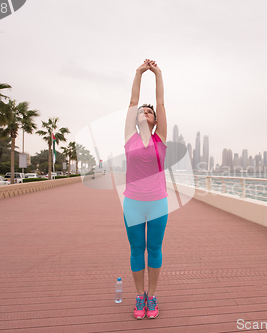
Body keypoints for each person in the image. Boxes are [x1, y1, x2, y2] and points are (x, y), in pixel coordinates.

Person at [123, 59, 168, 319]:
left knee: (155, 249)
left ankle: (153, 296)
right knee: (136, 250)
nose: (144, 112)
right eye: (142, 111)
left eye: (148, 113)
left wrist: (158, 74)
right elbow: (132, 102)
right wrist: (139, 73)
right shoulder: (129, 138)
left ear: (153, 121)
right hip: (133, 204)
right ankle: (139, 296)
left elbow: (160, 104)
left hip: (158, 203)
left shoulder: (159, 139)